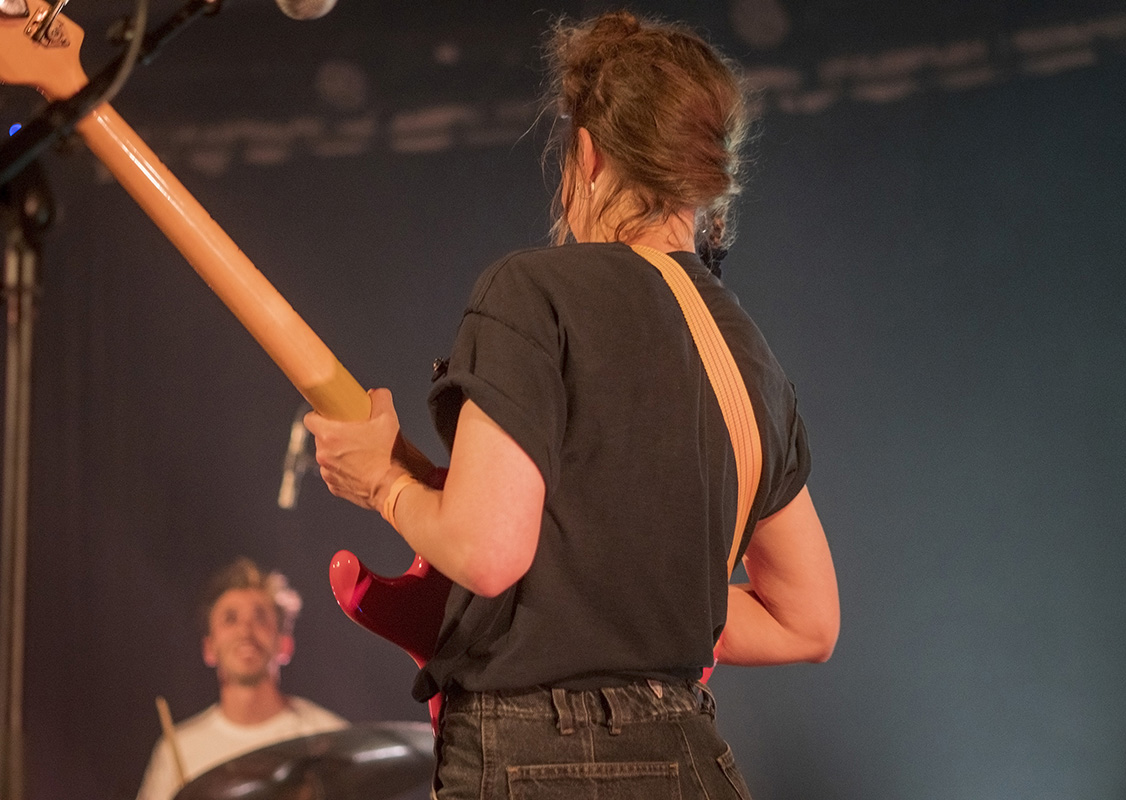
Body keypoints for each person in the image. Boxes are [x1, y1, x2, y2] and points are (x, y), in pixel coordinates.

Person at [304, 10, 839, 799]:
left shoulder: (533, 291)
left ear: (587, 155)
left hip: (532, 757)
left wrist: (382, 483)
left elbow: (488, 553)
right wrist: (634, 597)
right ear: (706, 177)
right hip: (694, 757)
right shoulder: (748, 352)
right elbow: (809, 622)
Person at [136, 557, 348, 800]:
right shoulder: (178, 750)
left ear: (285, 644)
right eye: (230, 618)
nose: (245, 631)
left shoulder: (328, 738)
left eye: (260, 618)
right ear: (209, 648)